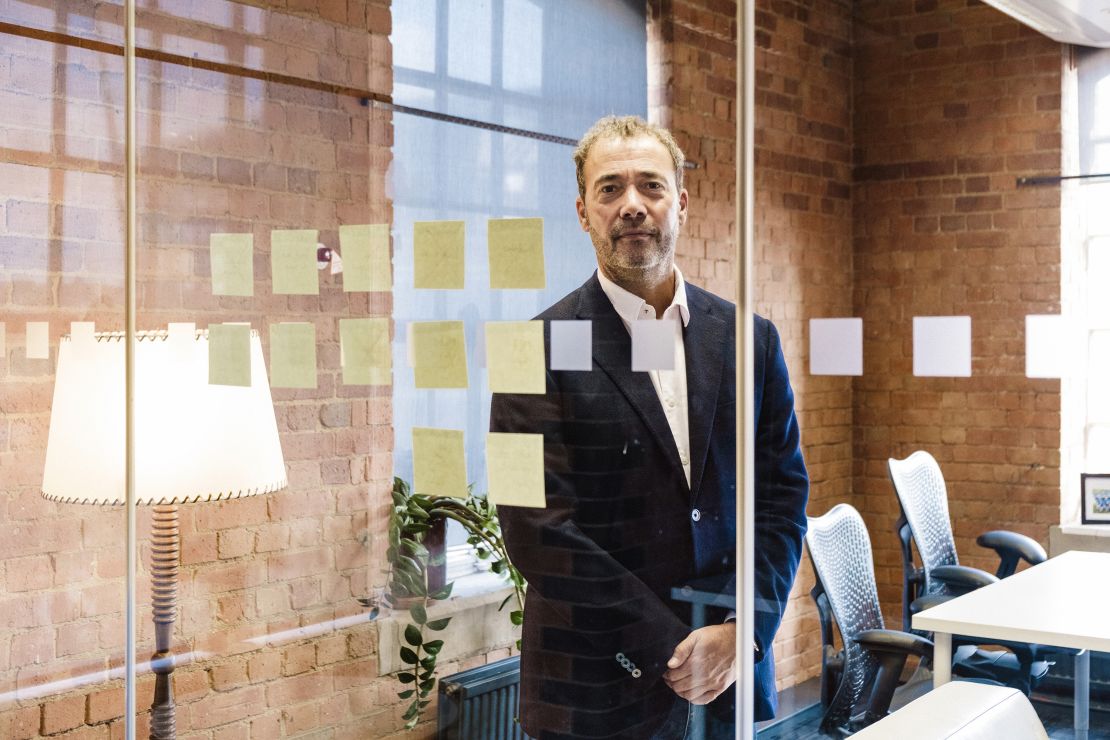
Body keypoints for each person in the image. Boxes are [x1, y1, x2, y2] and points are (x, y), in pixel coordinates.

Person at [490, 115, 809, 740]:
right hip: (593, 694)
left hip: (730, 683)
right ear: (583, 213)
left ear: (681, 203)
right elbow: (535, 528)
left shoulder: (750, 339)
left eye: (651, 187)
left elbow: (781, 500)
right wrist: (676, 648)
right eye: (610, 189)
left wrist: (742, 630)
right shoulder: (531, 348)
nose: (632, 205)